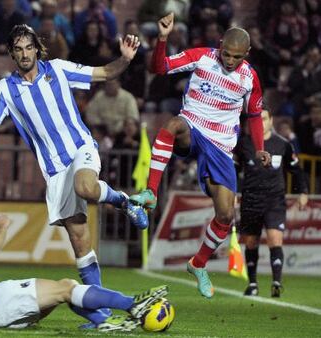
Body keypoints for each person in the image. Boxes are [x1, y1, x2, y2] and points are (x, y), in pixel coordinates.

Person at [0, 24, 148, 326]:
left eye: (28, 47)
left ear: (37, 48)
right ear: (11, 53)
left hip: (80, 149)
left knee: (86, 186)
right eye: (17, 49)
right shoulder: (6, 89)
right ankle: (101, 315)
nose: (24, 53)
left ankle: (125, 202)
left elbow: (103, 74)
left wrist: (124, 59)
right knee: (79, 241)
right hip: (54, 170)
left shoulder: (59, 69)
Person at [130, 13, 271, 299]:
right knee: (171, 126)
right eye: (225, 54)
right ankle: (151, 193)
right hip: (192, 126)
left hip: (221, 145)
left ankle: (198, 264)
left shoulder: (250, 78)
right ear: (219, 46)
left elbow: (254, 114)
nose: (229, 61)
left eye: (236, 57)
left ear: (247, 54)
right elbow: (159, 68)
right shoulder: (202, 57)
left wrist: (259, 147)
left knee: (226, 215)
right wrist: (162, 39)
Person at [0, 213, 168, 331]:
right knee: (67, 288)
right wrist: (1, 227)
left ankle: (103, 321)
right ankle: (134, 305)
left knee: (66, 288)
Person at [235, 109, 308, 297]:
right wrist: (232, 191)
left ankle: (276, 281)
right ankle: (252, 284)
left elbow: (296, 170)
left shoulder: (283, 144)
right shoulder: (243, 144)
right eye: (256, 120)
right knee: (251, 242)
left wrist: (302, 192)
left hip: (274, 199)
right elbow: (233, 170)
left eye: (264, 119)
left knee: (275, 239)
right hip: (251, 199)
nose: (260, 122)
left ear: (271, 120)